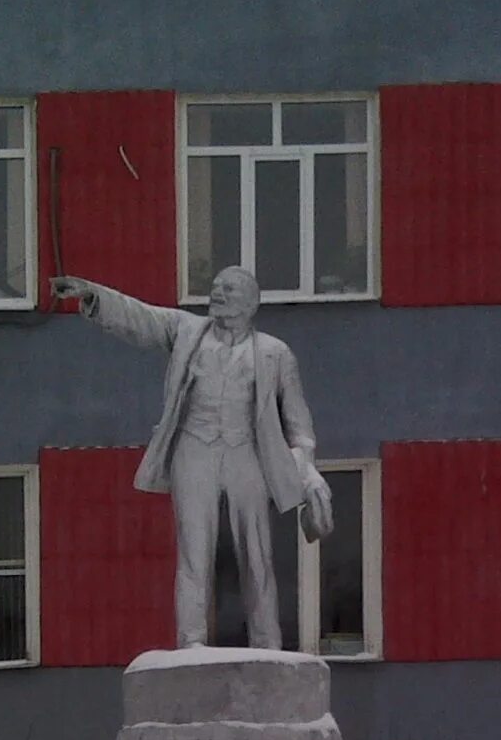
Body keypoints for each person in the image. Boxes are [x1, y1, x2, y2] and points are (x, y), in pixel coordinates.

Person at [49, 265, 328, 650]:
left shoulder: (275, 354)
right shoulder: (187, 331)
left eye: (227, 289)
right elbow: (141, 317)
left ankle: (267, 645)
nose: (217, 294)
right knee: (193, 551)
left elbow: (299, 426)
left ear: (250, 302)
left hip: (246, 452)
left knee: (257, 553)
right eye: (214, 288)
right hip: (194, 449)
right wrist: (93, 294)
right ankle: (191, 643)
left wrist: (308, 470)